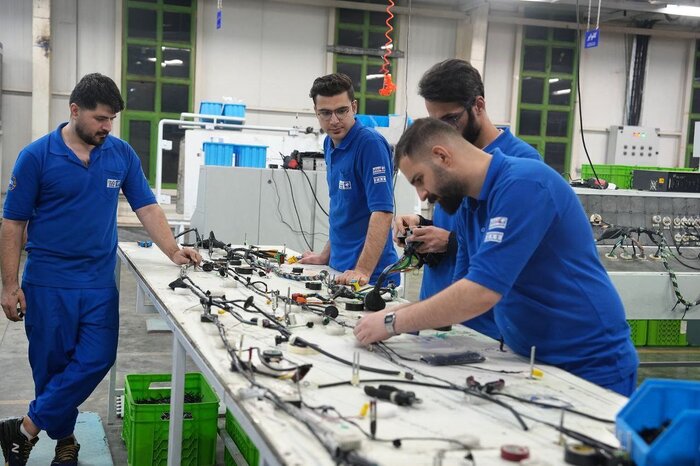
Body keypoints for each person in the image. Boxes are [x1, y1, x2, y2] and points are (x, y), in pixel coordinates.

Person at [0, 73, 202, 466]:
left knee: (97, 358)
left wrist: (173, 249)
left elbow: (147, 206)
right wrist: (9, 285)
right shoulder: (36, 156)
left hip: (97, 282)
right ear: (74, 111)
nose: (107, 127)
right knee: (51, 367)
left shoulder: (120, 154)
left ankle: (23, 429)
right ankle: (65, 440)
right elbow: (13, 223)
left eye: (111, 119)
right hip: (47, 281)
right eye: (100, 118)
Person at [354, 118, 639, 396]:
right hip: (529, 359)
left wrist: (392, 322)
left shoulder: (525, 184)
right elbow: (463, 288)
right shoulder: (470, 206)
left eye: (419, 180)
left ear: (442, 156)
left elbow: (480, 293)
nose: (422, 194)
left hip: (589, 363)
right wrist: (395, 316)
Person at [393, 59, 540, 340]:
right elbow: (460, 223)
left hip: (487, 324)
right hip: (442, 305)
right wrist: (421, 226)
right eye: (436, 123)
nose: (443, 134)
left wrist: (449, 241)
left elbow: (514, 253)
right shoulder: (449, 159)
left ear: (478, 106)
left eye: (450, 120)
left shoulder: (522, 166)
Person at [300, 73, 398, 286]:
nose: (334, 121)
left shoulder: (369, 144)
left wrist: (362, 270)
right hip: (339, 269)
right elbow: (343, 209)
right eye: (326, 113)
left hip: (370, 276)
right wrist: (325, 255)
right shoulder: (329, 143)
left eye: (341, 111)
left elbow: (382, 212)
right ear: (316, 113)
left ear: (354, 107)